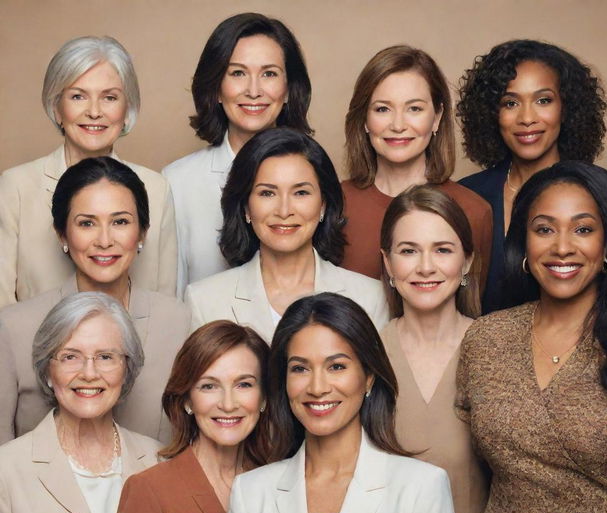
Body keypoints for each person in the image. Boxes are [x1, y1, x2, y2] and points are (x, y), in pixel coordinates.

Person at [456, 162, 607, 513]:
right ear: (524, 243)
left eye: (583, 228)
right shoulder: (487, 339)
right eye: (544, 229)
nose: (562, 247)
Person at [218, 292, 458, 513]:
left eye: (337, 366)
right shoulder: (251, 494)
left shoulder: (421, 489)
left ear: (369, 377)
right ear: (284, 382)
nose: (317, 387)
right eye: (300, 368)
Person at [0, 292, 160, 513]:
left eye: (105, 356)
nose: (89, 373)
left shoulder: (160, 463)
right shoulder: (7, 471)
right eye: (70, 357)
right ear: (47, 370)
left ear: (127, 368)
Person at [0, 157, 189, 445]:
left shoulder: (179, 323)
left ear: (143, 233)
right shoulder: (14, 328)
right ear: (62, 233)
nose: (104, 240)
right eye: (87, 223)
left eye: (120, 222)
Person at [110, 320, 271, 513]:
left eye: (244, 384)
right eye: (208, 385)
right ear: (186, 400)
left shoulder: (283, 485)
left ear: (264, 399)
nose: (228, 403)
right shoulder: (150, 493)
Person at [456, 39, 607, 313]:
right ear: (491, 114)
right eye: (510, 103)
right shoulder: (466, 197)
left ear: (566, 108)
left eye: (543, 100)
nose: (527, 117)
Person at [380, 185, 489, 513]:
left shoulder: (497, 347)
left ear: (466, 262)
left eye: (442, 249)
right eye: (409, 250)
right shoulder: (364, 352)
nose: (425, 267)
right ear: (387, 264)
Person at [0, 36, 177, 308]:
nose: (94, 112)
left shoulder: (155, 187)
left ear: (126, 109)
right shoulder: (16, 187)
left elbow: (164, 301)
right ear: (57, 107)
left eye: (109, 97)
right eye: (78, 96)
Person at [185, 128, 388, 343]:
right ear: (246, 207)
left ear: (323, 205)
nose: (284, 211)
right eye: (267, 193)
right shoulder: (204, 301)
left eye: (301, 192)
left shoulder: (370, 298)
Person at [163, 13, 312, 295]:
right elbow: (171, 297)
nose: (253, 91)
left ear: (289, 89)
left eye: (269, 73)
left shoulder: (312, 174)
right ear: (217, 88)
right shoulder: (176, 183)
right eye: (237, 73)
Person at [341, 45, 492, 289]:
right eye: (382, 109)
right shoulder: (335, 204)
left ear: (437, 117)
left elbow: (476, 312)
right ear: (365, 120)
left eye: (414, 108)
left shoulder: (473, 210)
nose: (398, 124)